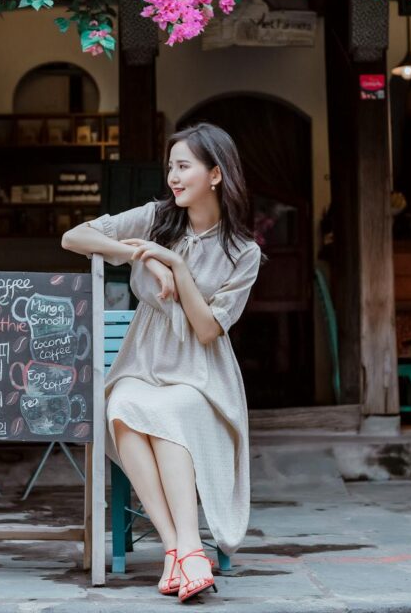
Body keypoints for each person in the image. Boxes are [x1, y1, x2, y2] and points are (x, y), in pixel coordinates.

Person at [61, 122, 262, 603]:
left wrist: (175, 266)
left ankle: (186, 548)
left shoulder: (244, 253)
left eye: (184, 166)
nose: (173, 176)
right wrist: (141, 254)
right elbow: (75, 236)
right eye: (170, 166)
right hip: (143, 360)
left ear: (215, 174)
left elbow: (209, 328)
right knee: (123, 407)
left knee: (171, 412)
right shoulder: (156, 217)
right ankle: (182, 549)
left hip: (201, 372)